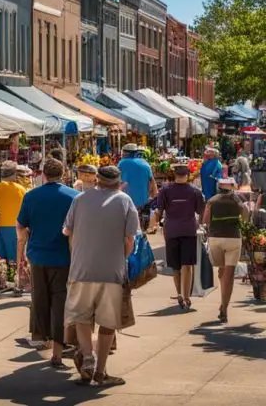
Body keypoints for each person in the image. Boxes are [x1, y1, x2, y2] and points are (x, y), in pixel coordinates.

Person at [62, 165, 139, 387]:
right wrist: (120, 259)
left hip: (81, 269)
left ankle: (87, 357)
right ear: (118, 182)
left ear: (97, 180)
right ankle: (100, 371)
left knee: (82, 317)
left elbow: (67, 231)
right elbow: (129, 240)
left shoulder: (79, 199)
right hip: (112, 272)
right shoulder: (125, 201)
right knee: (108, 323)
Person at [17, 159, 78, 370]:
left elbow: (21, 226)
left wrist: (22, 252)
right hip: (64, 257)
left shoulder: (31, 196)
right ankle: (57, 354)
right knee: (61, 304)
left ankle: (40, 339)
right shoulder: (74, 197)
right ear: (63, 173)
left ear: (43, 174)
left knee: (40, 299)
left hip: (38, 256)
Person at [151, 164, 205, 310]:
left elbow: (159, 211)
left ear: (174, 175)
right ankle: (186, 297)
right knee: (187, 265)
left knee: (176, 266)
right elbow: (200, 211)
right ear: (187, 175)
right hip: (189, 231)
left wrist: (154, 225)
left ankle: (180, 294)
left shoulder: (165, 191)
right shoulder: (195, 191)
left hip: (171, 231)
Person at [204, 177, 248, 323]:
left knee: (221, 270)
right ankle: (224, 307)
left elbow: (206, 220)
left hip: (216, 238)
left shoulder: (212, 201)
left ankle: (223, 301)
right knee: (229, 275)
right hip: (234, 238)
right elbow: (246, 216)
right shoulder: (238, 200)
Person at [0, 160, 28, 264]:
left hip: (2, 227)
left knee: (1, 260)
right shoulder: (22, 189)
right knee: (16, 260)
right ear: (14, 174)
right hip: (18, 227)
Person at [119, 143, 157, 230]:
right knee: (141, 229)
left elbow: (117, 179)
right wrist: (154, 194)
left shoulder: (122, 163)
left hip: (127, 202)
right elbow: (152, 181)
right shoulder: (145, 163)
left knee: (128, 230)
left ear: (125, 153)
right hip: (143, 201)